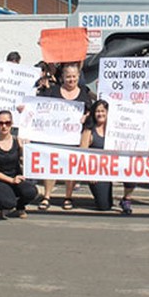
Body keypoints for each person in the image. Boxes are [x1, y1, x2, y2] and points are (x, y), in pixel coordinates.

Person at [39, 62, 92, 210]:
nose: (71, 80)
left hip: (74, 137)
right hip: (55, 136)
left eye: (74, 76)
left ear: (78, 77)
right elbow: (40, 107)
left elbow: (90, 111)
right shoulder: (53, 91)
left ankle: (68, 197)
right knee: (51, 166)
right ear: (62, 77)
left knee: (71, 167)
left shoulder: (83, 93)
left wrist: (86, 116)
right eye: (68, 76)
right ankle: (47, 196)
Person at [80, 100, 136, 213]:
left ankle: (126, 198)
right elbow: (82, 153)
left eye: (103, 111)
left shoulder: (117, 127)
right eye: (97, 111)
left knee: (132, 172)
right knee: (104, 206)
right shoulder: (89, 130)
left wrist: (136, 105)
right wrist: (90, 173)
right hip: (98, 171)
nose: (100, 114)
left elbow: (133, 117)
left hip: (116, 166)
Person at [0, 110, 37, 219]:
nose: (4, 126)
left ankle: (20, 207)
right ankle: (0, 206)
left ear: (12, 124)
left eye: (7, 123)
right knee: (8, 203)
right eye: (1, 123)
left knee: (31, 191)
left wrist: (25, 149)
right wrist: (11, 180)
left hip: (16, 176)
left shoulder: (17, 140)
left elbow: (27, 162)